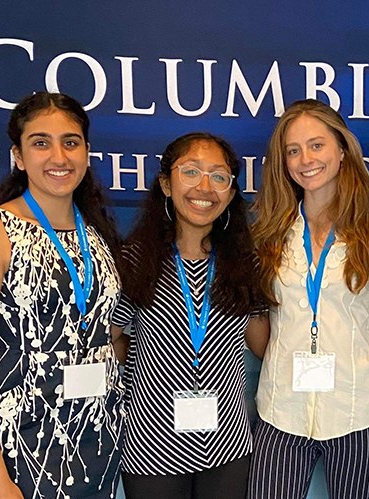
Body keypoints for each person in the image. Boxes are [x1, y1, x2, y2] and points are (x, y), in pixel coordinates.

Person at [0, 92, 125, 499]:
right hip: (27, 446)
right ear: (19, 156)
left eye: (71, 142)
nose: (58, 156)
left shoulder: (96, 231)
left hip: (101, 438)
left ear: (86, 151)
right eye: (41, 143)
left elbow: (107, 332)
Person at [247, 99, 369, 499]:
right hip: (282, 411)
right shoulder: (268, 235)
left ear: (342, 150)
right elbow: (258, 317)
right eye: (293, 150)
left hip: (356, 412)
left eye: (316, 145)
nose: (305, 159)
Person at [110, 132, 269, 499]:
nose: (205, 187)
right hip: (150, 449)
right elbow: (115, 338)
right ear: (166, 184)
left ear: (231, 193)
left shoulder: (246, 263)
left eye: (219, 176)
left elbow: (263, 346)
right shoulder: (136, 259)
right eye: (191, 172)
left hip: (228, 446)